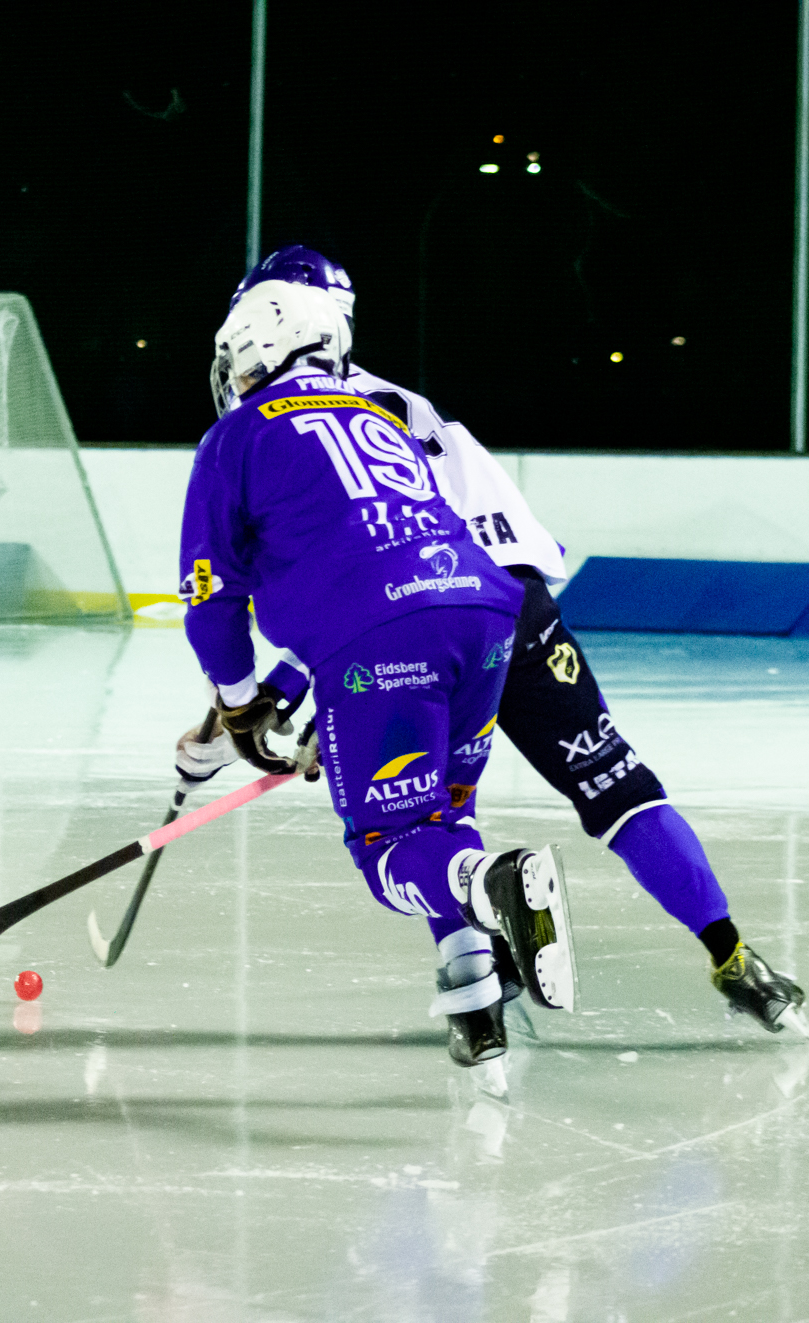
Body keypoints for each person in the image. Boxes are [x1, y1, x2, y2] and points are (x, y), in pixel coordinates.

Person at [180, 246, 809, 1039]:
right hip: (516, 605)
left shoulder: (281, 422)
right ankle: (736, 957)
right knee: (614, 784)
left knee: (418, 818)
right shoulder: (389, 402)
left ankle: (478, 975)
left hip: (408, 615)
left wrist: (292, 696)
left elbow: (357, 566)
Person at [182, 278, 577, 1087]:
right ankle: (475, 1005)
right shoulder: (379, 415)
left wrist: (236, 704)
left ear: (254, 352)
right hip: (486, 618)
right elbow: (386, 546)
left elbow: (211, 604)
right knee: (442, 812)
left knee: (388, 846)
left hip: (378, 639)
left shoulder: (234, 440)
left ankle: (490, 882)